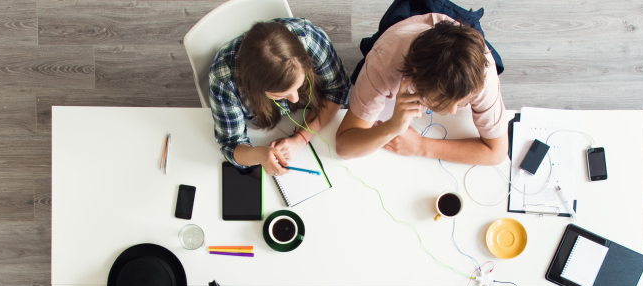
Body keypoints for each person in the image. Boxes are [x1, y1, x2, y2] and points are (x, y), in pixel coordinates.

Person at [335, 14, 508, 166]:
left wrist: (421, 146)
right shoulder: (384, 61)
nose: (453, 111)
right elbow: (344, 147)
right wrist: (392, 127)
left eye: (463, 101)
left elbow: (497, 153)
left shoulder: (484, 75)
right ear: (414, 78)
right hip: (400, 38)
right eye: (441, 101)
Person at [209, 18, 350, 176]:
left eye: (299, 85)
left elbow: (338, 89)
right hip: (264, 129)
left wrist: (301, 138)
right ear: (255, 89)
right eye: (279, 95)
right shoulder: (223, 79)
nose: (295, 99)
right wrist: (259, 155)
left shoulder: (309, 37)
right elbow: (231, 143)